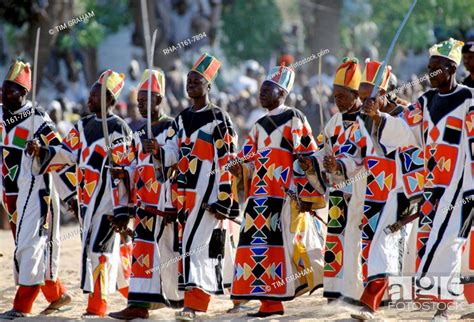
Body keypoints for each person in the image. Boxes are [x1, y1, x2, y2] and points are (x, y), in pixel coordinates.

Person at [362, 38, 474, 320]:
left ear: (451, 68)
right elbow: (404, 129)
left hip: (462, 185)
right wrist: (378, 116)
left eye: (436, 68)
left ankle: (443, 306)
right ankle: (440, 306)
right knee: (433, 242)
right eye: (429, 67)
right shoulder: (425, 101)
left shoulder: (469, 98)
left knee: (447, 243)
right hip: (432, 185)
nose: (430, 72)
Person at [27, 69, 134, 317]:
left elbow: (125, 169)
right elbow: (65, 154)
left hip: (108, 203)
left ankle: (98, 307)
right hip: (87, 203)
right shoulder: (82, 125)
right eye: (90, 94)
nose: (89, 99)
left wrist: (123, 210)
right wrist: (41, 150)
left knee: (100, 251)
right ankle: (140, 299)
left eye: (95, 95)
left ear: (109, 98)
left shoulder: (119, 129)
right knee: (100, 253)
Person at [229, 64, 325, 318]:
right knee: (258, 247)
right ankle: (268, 304)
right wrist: (237, 167)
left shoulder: (294, 117)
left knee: (284, 245)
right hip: (259, 197)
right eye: (260, 88)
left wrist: (305, 193)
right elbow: (246, 159)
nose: (261, 93)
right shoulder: (258, 125)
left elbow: (307, 155)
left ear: (281, 93)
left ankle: (278, 300)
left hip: (284, 194)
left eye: (266, 89)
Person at [155, 53, 240, 321]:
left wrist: (223, 199)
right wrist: (156, 149)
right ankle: (198, 302)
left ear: (209, 85)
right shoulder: (180, 119)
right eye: (189, 80)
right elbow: (170, 152)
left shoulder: (219, 119)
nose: (191, 84)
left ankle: (195, 305)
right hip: (184, 196)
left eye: (197, 80)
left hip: (208, 195)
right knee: (189, 247)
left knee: (198, 247)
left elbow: (227, 160)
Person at [346, 60, 424, 320]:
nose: (365, 99)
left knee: (386, 244)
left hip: (401, 191)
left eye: (371, 93)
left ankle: (370, 302)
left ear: (387, 92)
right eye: (362, 94)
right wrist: (338, 163)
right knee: (372, 246)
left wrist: (379, 118)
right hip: (374, 191)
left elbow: (406, 145)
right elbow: (354, 154)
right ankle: (382, 299)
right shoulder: (362, 119)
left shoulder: (410, 113)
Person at [109, 69, 184, 319]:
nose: (140, 104)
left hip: (165, 202)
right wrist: (124, 174)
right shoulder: (138, 131)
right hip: (143, 203)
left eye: (145, 100)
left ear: (159, 101)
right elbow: (134, 165)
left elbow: (178, 159)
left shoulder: (172, 126)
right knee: (142, 251)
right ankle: (138, 306)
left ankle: (176, 299)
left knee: (168, 254)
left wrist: (159, 151)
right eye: (138, 100)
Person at [0, 60, 71, 319]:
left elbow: (65, 152)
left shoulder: (37, 118)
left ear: (23, 93)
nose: (3, 95)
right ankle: (57, 294)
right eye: (2, 89)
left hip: (36, 191)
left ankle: (22, 306)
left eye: (9, 91)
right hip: (10, 194)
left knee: (30, 245)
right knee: (24, 245)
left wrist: (42, 151)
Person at [299, 57, 367, 304]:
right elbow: (323, 149)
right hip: (338, 191)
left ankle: (359, 290)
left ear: (356, 93)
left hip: (363, 190)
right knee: (336, 236)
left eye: (341, 96)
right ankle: (337, 291)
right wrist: (313, 161)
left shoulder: (367, 120)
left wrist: (340, 164)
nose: (337, 101)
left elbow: (365, 154)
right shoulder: (333, 122)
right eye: (335, 96)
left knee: (357, 238)